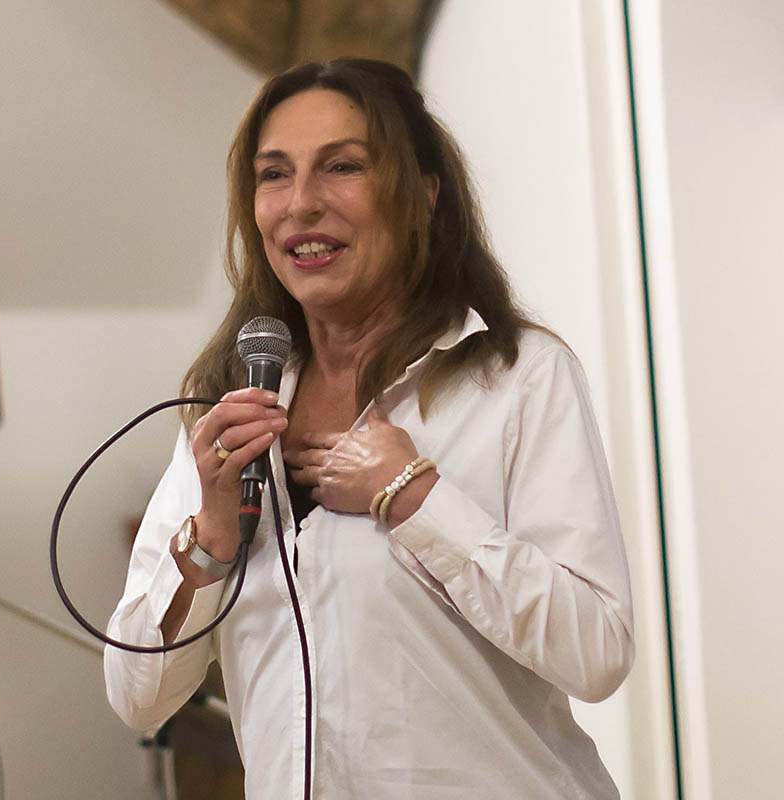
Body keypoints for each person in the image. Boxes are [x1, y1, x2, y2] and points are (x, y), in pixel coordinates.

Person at [104, 58, 634, 799]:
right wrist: (212, 537)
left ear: (421, 193)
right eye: (274, 174)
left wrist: (415, 498)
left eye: (343, 167)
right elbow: (136, 696)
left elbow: (597, 651)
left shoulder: (519, 376)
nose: (301, 205)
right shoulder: (226, 401)